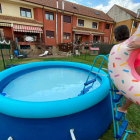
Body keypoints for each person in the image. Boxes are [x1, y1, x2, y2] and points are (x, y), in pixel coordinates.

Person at [113, 25, 140, 113]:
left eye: (114, 34)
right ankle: (123, 91)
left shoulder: (129, 44)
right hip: (133, 63)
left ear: (118, 35)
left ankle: (124, 108)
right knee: (127, 82)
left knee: (133, 87)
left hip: (137, 63)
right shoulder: (126, 44)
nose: (113, 36)